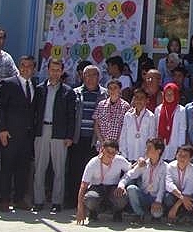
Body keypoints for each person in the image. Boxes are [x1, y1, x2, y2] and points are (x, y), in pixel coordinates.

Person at [32, 58, 77, 213]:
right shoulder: (39, 89)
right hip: (42, 130)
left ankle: (57, 201)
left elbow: (71, 116)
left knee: (59, 169)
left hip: (60, 133)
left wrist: (69, 136)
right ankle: (38, 200)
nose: (55, 73)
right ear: (48, 70)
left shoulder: (68, 91)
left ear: (62, 71)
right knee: (40, 167)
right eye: (52, 70)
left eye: (58, 70)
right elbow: (34, 112)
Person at [0, 55, 37, 213]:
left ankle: (19, 199)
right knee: (7, 167)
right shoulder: (8, 83)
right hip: (10, 134)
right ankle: (4, 200)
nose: (26, 69)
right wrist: (1, 130)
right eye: (23, 65)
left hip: (27, 135)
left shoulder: (34, 85)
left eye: (29, 66)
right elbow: (0, 108)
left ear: (34, 69)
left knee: (23, 168)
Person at [68, 64, 107, 208]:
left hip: (95, 140)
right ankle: (73, 201)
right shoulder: (75, 93)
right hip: (77, 138)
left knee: (94, 173)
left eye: (93, 75)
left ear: (99, 77)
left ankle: (92, 203)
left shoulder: (105, 94)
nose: (90, 78)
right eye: (87, 75)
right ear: (82, 77)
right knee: (75, 170)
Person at [75, 139, 131, 224]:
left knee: (122, 197)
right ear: (102, 149)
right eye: (108, 151)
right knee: (90, 198)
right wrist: (80, 209)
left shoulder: (119, 160)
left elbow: (130, 171)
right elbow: (83, 186)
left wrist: (122, 184)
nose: (110, 155)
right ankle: (93, 211)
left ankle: (117, 211)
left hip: (113, 188)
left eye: (113, 153)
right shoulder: (93, 163)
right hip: (96, 188)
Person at [120, 138, 167, 223]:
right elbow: (129, 175)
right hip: (144, 196)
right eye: (146, 147)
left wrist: (158, 201)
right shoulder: (143, 164)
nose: (146, 150)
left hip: (156, 197)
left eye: (149, 148)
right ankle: (140, 214)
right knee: (131, 188)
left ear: (158, 151)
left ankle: (156, 212)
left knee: (157, 215)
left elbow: (162, 187)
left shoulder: (165, 167)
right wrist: (121, 185)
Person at [164, 144, 193, 225]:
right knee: (167, 197)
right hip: (175, 193)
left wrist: (175, 207)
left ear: (191, 158)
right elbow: (169, 184)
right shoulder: (170, 166)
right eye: (180, 155)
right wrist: (182, 198)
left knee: (191, 199)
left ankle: (181, 214)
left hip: (188, 195)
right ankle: (171, 214)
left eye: (185, 156)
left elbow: (189, 190)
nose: (182, 158)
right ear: (176, 155)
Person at [153, 83, 187, 161]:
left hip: (175, 144)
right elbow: (155, 128)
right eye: (167, 94)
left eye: (171, 94)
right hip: (161, 145)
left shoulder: (181, 110)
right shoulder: (158, 109)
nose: (169, 96)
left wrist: (180, 148)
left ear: (176, 95)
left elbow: (182, 130)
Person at [93, 79, 130, 149]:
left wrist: (116, 143)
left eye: (115, 88)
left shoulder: (125, 106)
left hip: (118, 145)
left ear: (120, 90)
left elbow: (126, 127)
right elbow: (96, 124)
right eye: (110, 88)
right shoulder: (101, 104)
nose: (112, 90)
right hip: (102, 145)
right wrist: (102, 142)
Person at [119, 89, 155, 162]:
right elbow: (123, 136)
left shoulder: (150, 116)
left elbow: (151, 137)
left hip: (143, 156)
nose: (139, 100)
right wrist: (124, 154)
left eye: (142, 98)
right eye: (137, 97)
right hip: (129, 154)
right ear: (133, 100)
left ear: (147, 100)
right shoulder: (128, 115)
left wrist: (147, 157)